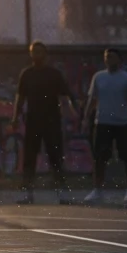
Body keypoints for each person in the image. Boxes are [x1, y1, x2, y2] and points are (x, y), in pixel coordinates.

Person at [13, 40, 77, 204]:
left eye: (40, 52)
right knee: (29, 159)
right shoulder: (26, 74)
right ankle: (27, 193)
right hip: (33, 121)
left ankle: (62, 193)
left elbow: (66, 95)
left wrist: (74, 113)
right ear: (31, 54)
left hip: (52, 121)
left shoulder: (54, 74)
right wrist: (15, 118)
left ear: (45, 55)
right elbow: (20, 97)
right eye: (34, 52)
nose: (36, 55)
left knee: (55, 158)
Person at [83, 48, 127, 204]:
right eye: (106, 57)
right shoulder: (98, 77)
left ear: (119, 59)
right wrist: (85, 118)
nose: (109, 59)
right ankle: (97, 191)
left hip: (123, 123)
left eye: (112, 57)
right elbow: (92, 100)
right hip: (102, 122)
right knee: (100, 158)